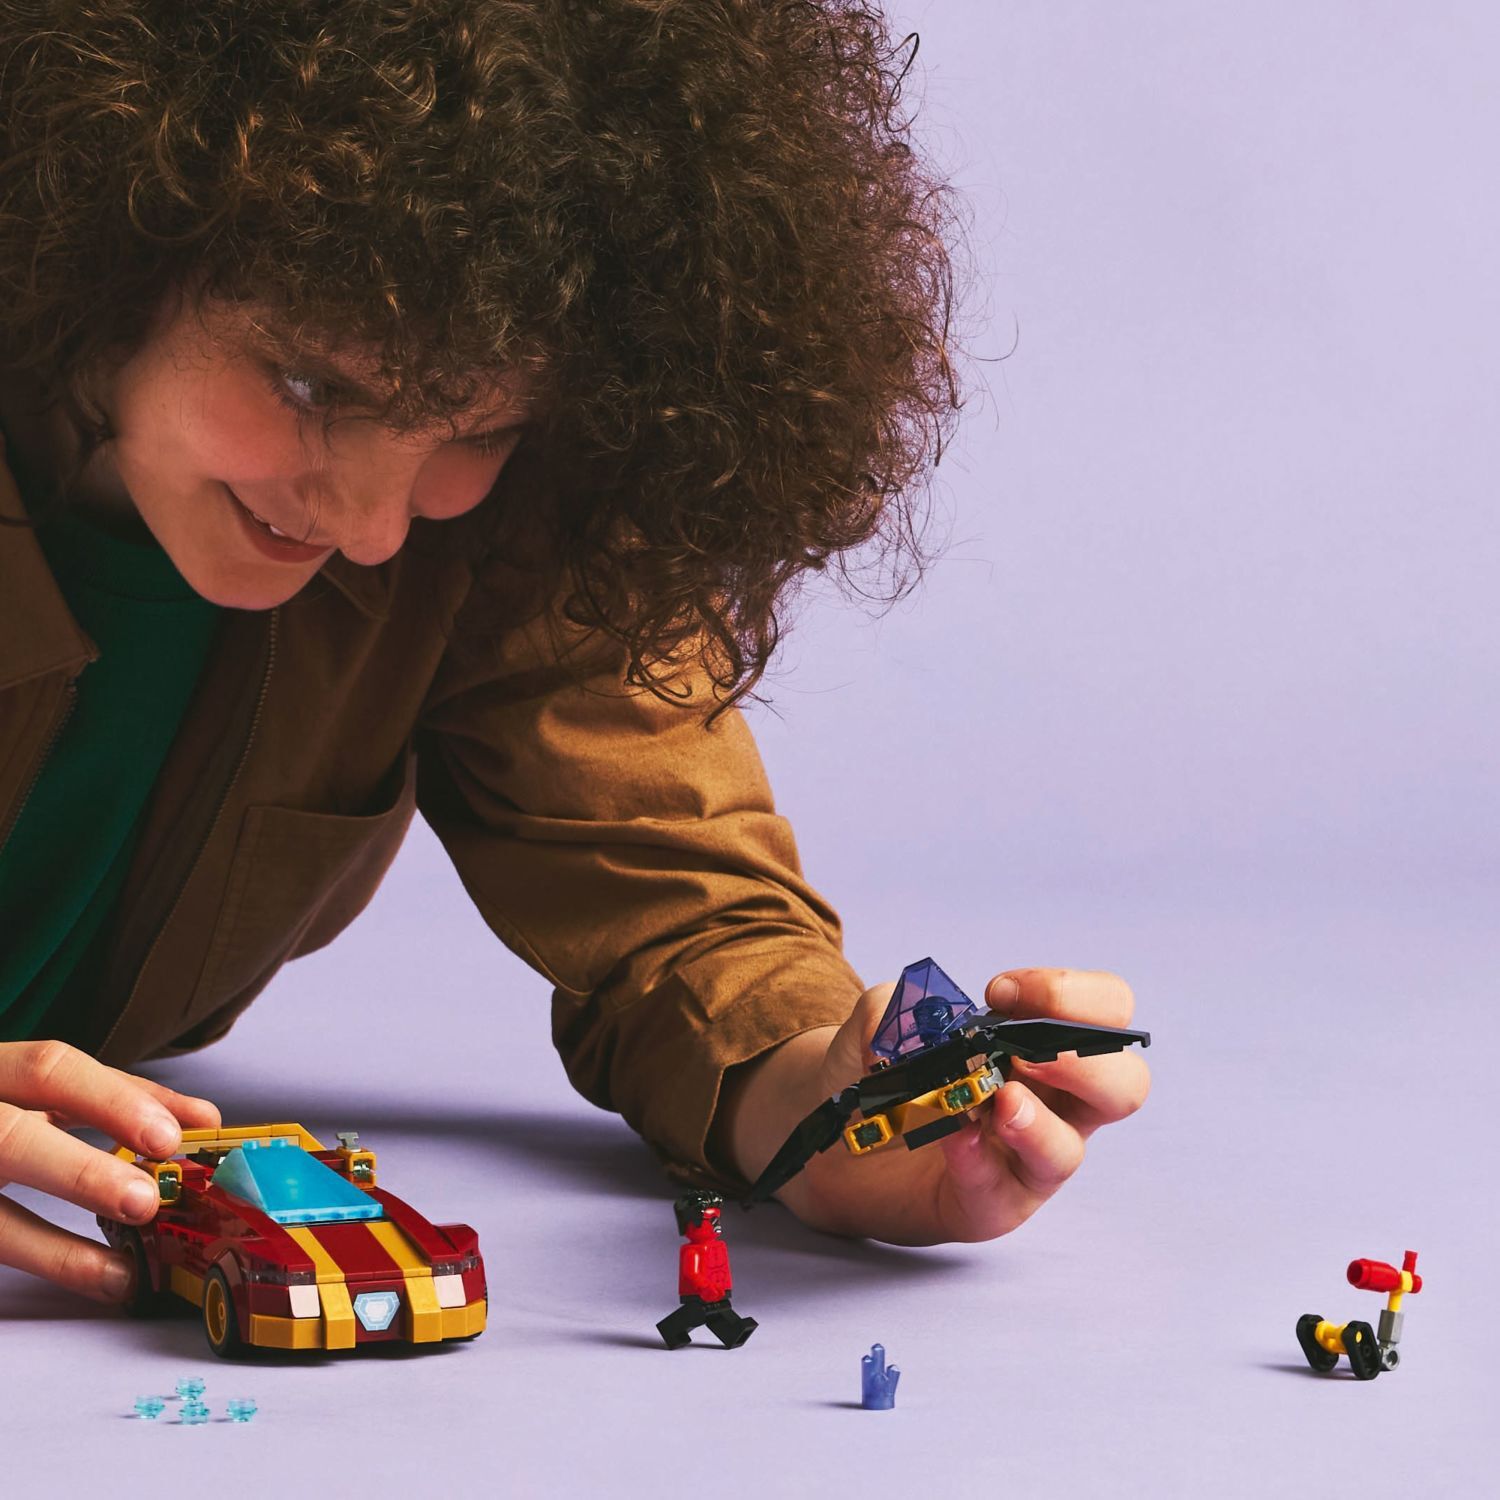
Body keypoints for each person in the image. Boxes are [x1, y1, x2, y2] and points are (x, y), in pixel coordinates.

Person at [0, 0, 1150, 1306]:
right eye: (314, 388)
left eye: (474, 430)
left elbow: (682, 910)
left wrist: (828, 1119)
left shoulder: (489, 535)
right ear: (121, 230)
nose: (373, 527)